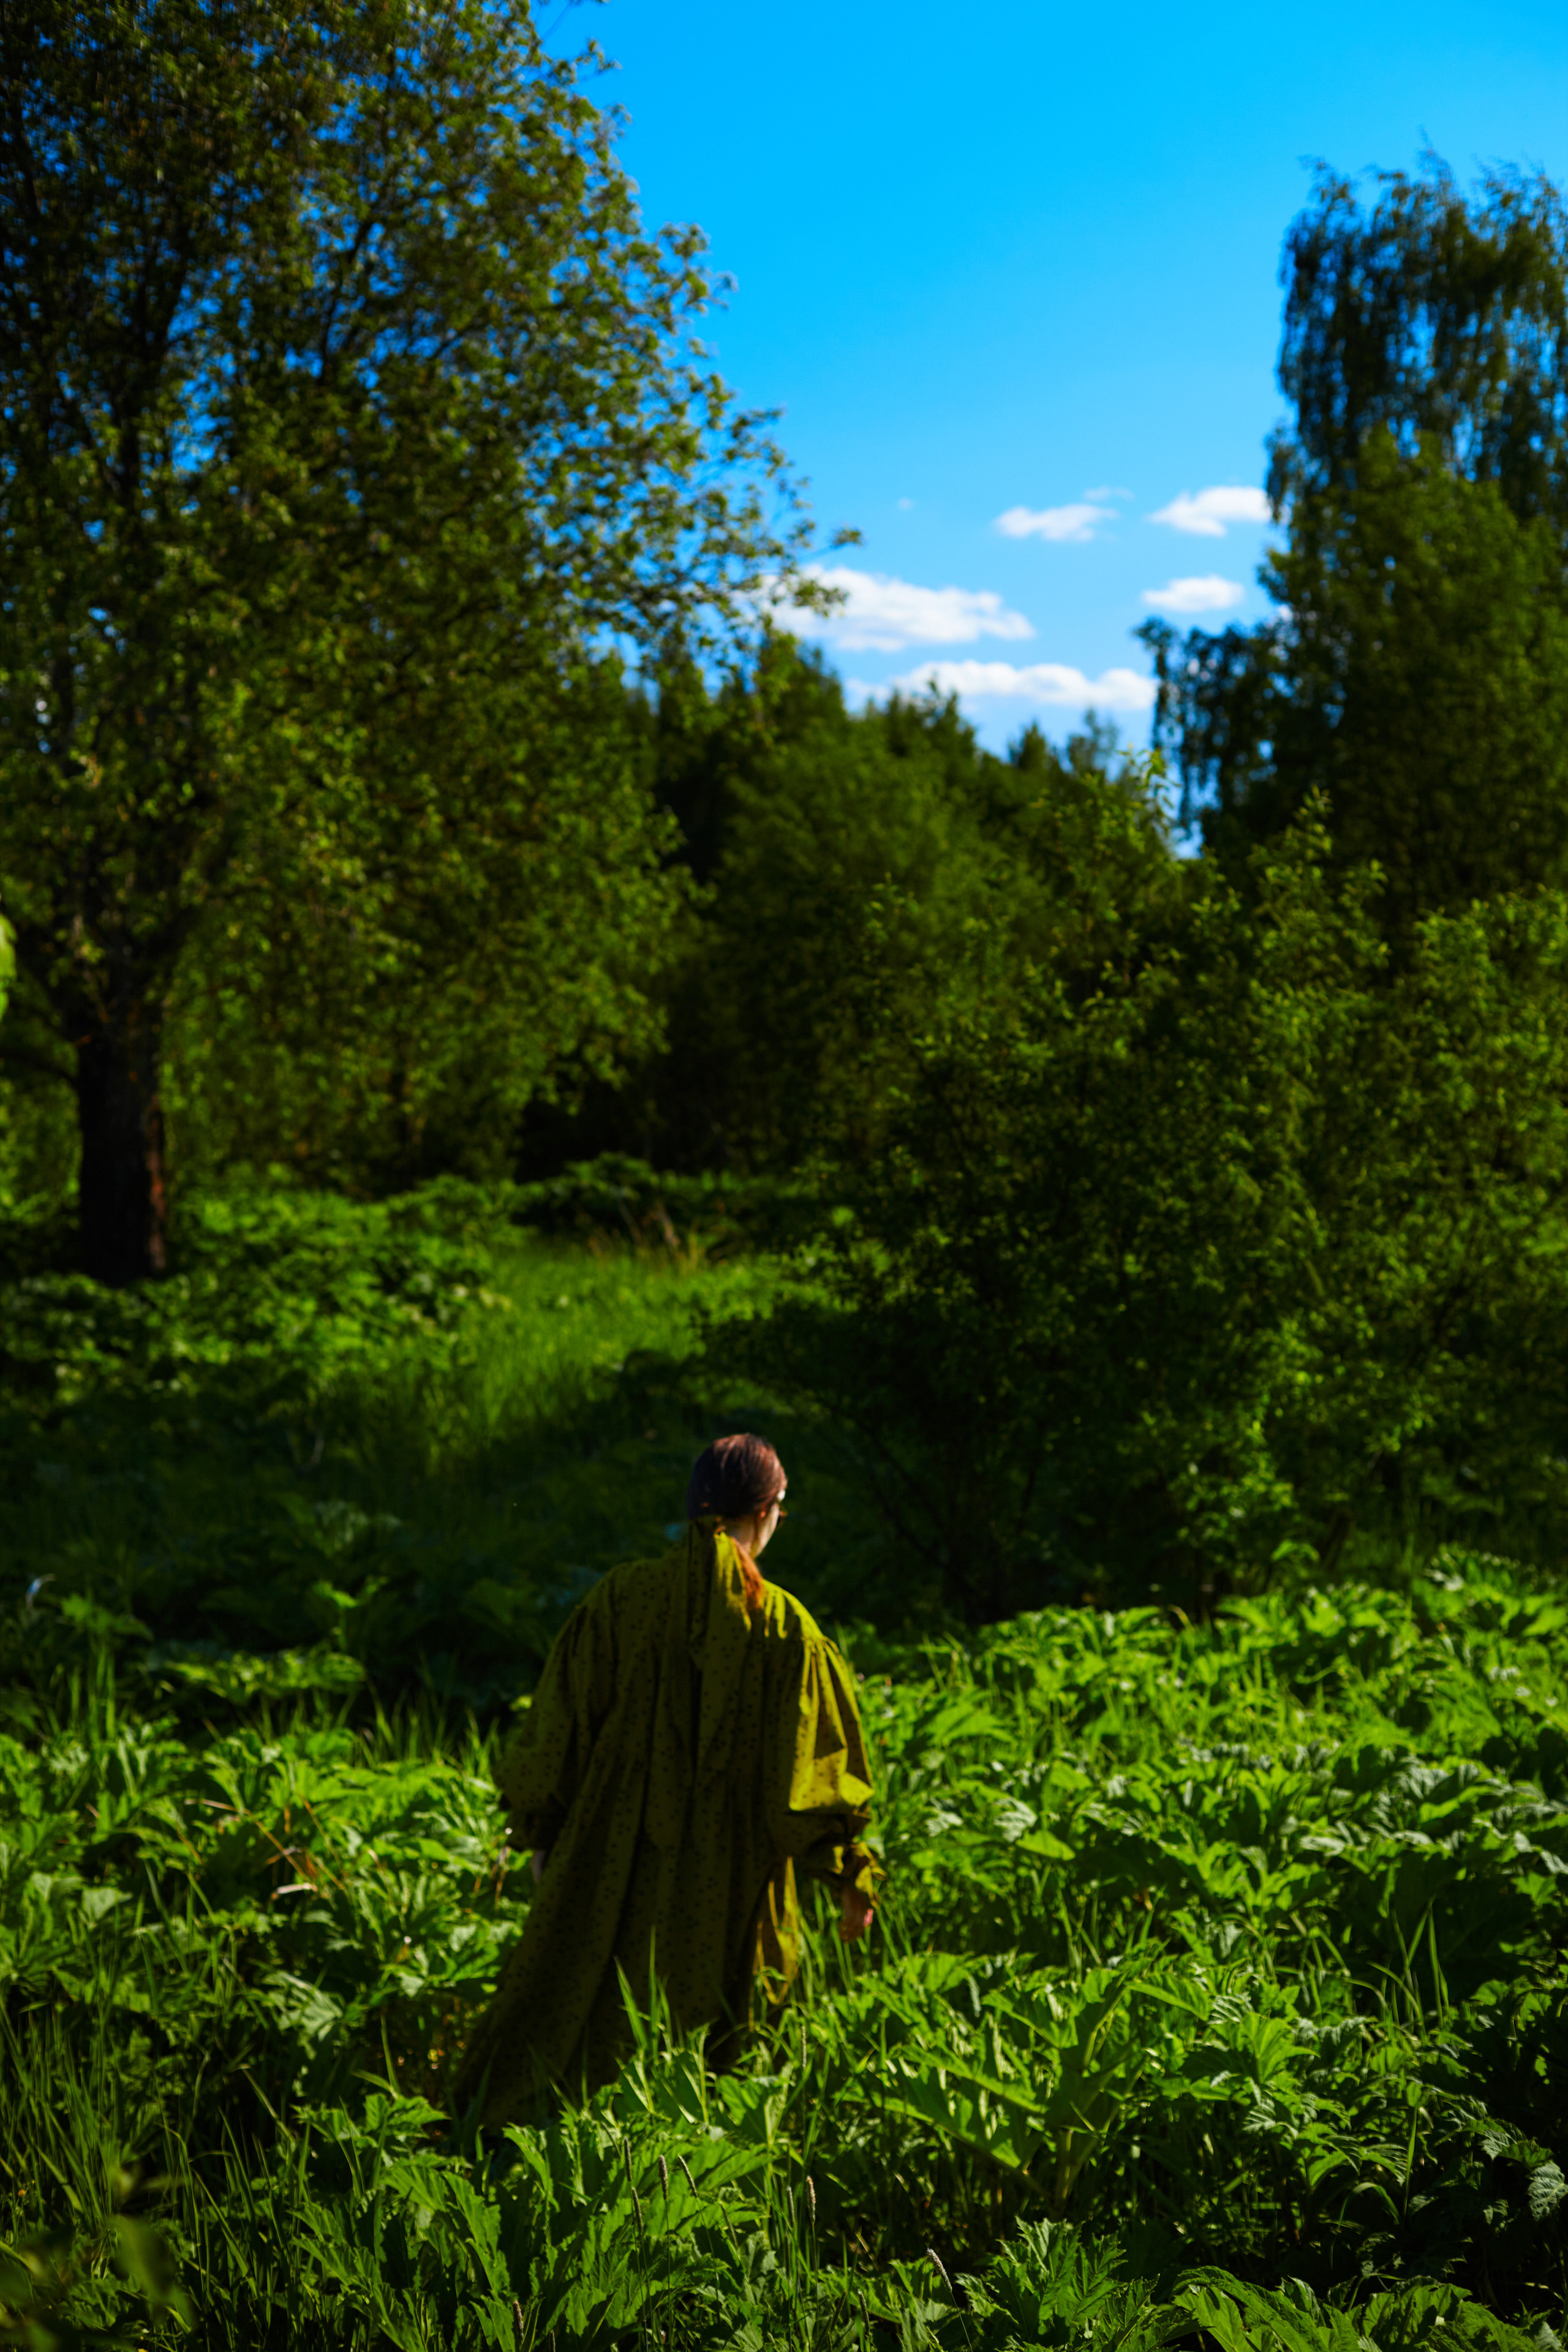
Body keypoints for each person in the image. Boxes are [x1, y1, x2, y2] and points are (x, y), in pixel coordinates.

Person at [452, 1434, 879, 2122]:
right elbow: (808, 1789)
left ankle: (529, 2149)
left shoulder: (620, 1599)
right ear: (766, 1511)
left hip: (605, 1862)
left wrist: (542, 1833)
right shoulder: (789, 1631)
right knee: (710, 2065)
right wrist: (849, 1875)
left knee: (572, 2014)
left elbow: (559, 1732)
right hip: (733, 1880)